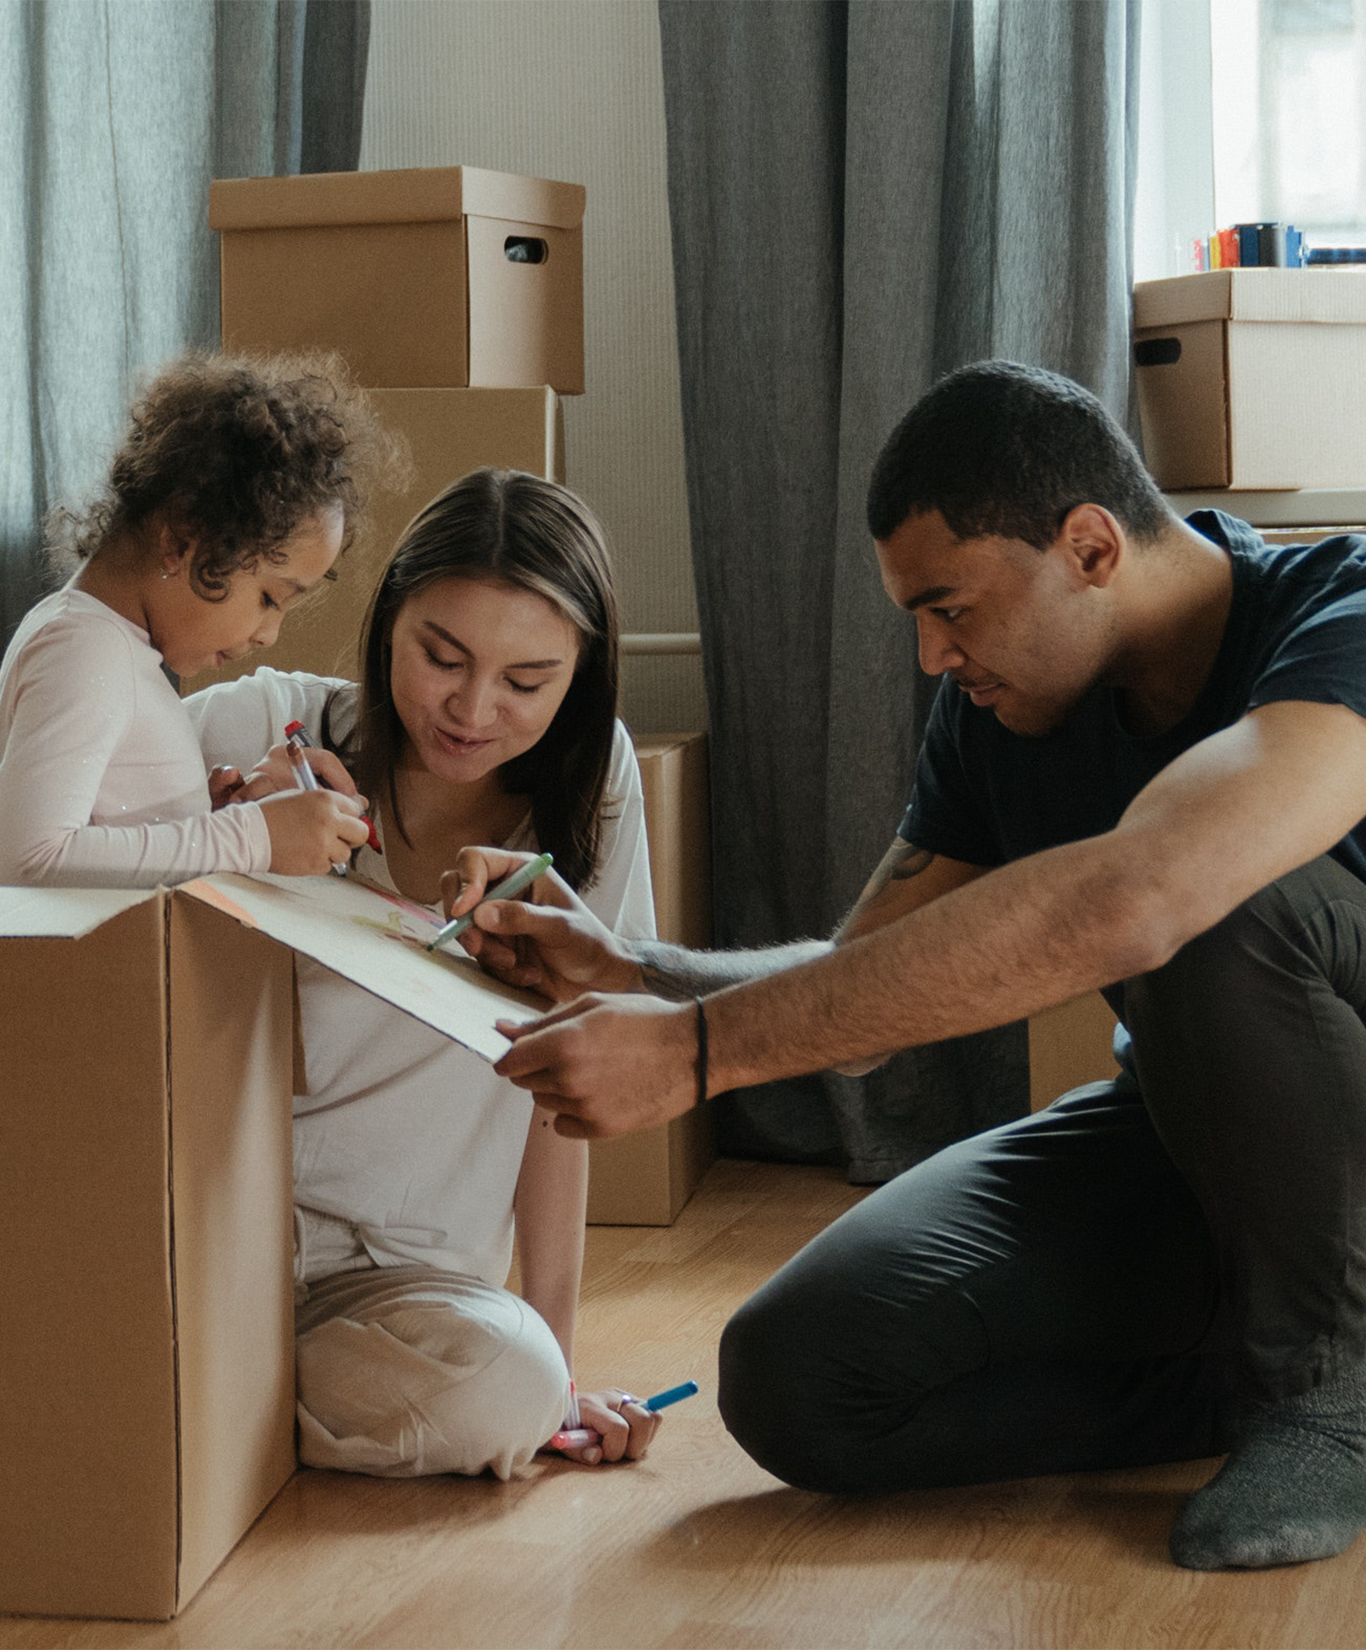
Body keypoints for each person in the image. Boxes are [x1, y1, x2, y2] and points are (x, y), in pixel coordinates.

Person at [451, 361, 1366, 1570]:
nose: (934, 656)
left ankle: (1331, 1399)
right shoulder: (996, 713)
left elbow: (1148, 895)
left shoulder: (1339, 616)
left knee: (1221, 904)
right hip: (1199, 1142)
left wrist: (698, 1054)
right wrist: (638, 973)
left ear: (1090, 548)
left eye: (953, 609)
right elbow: (866, 987)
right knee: (802, 1379)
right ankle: (1257, 1380)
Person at [185, 467, 663, 1479]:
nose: (473, 708)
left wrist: (560, 1365)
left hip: (398, 1286)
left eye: (527, 683)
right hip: (203, 1237)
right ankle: (196, 1396)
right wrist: (222, 827)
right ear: (388, 619)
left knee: (512, 1386)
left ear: (581, 675)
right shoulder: (261, 726)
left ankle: (196, 1409)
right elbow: (40, 868)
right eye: (440, 658)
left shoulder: (593, 796)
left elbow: (562, 1089)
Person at [0, 352, 379, 886]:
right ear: (181, 539)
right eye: (269, 599)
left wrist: (205, 819)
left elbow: (101, 838)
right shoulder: (84, 650)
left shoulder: (110, 647)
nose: (268, 635)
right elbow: (29, 858)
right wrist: (251, 837)